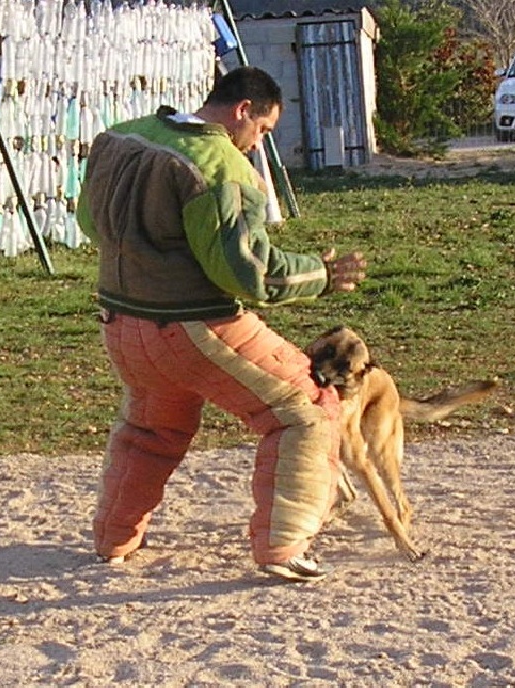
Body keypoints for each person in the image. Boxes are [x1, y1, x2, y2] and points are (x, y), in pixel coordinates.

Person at [77, 66, 367, 581]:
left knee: (149, 428)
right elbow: (246, 273)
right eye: (264, 130)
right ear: (243, 111)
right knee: (306, 408)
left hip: (120, 322)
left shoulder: (123, 135)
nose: (259, 144)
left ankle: (113, 539)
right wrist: (320, 273)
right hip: (194, 327)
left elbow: (86, 222)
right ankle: (283, 546)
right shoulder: (223, 169)